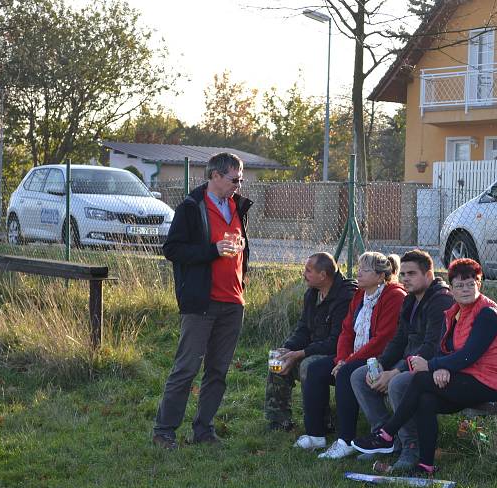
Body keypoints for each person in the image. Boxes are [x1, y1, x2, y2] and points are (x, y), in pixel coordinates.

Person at [352, 258, 497, 475]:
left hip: (488, 383)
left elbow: (468, 355)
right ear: (452, 288)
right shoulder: (456, 311)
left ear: (479, 285)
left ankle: (387, 434)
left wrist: (433, 366)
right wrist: (442, 367)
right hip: (464, 377)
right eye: (459, 285)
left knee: (420, 379)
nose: (465, 289)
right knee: (426, 399)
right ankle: (425, 465)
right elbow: (447, 347)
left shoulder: (487, 314)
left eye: (470, 284)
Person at [152, 152, 252, 450]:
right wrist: (212, 250)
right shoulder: (191, 208)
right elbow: (172, 249)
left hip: (233, 301)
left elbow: (239, 247)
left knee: (218, 372)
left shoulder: (237, 205)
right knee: (186, 369)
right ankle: (164, 431)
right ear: (215, 176)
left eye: (241, 179)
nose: (238, 184)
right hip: (201, 302)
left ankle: (203, 430)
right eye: (234, 179)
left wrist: (242, 253)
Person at [350, 249, 453, 472]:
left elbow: (431, 347)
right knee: (360, 375)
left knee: (398, 384)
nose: (406, 278)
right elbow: (399, 340)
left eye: (412, 273)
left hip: (431, 367)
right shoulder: (410, 300)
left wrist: (395, 372)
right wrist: (381, 363)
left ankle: (411, 446)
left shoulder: (441, 301)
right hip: (407, 361)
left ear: (428, 275)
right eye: (403, 274)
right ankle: (385, 439)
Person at [295, 252, 406, 458]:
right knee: (316, 369)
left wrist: (347, 362)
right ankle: (315, 434)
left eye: (365, 270)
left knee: (346, 373)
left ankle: (345, 440)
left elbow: (383, 339)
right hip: (353, 355)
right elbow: (346, 331)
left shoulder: (394, 296)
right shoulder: (359, 295)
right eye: (359, 268)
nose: (359, 273)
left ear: (381, 276)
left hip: (379, 358)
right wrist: (340, 359)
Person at [263, 252, 357, 432]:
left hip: (340, 357)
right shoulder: (312, 294)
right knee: (278, 358)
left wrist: (300, 353)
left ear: (323, 275)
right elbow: (303, 329)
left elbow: (337, 341)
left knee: (308, 365)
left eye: (308, 270)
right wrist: (288, 348)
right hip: (315, 349)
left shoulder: (345, 297)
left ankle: (323, 421)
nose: (303, 274)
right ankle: (279, 419)